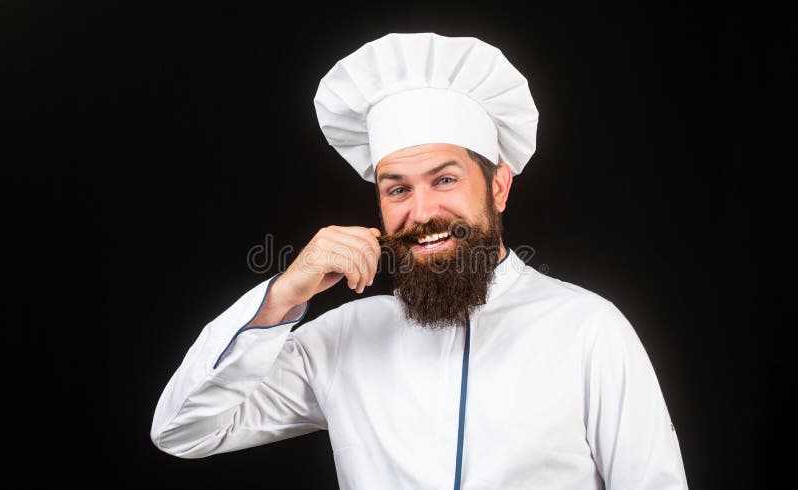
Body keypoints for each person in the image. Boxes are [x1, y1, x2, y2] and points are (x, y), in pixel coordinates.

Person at [151, 33, 689, 489]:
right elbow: (182, 430)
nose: (422, 211)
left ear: (499, 186)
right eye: (397, 189)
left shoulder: (589, 330)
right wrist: (281, 299)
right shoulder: (342, 339)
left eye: (445, 180)